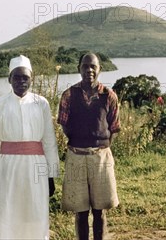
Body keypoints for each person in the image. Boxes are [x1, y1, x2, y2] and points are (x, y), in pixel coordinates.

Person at [0, 55, 60, 239]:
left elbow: (49, 141)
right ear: (9, 79)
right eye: (17, 77)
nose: (21, 81)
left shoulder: (41, 103)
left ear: (31, 78)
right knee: (6, 212)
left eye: (25, 77)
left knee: (34, 212)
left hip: (36, 168)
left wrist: (51, 175)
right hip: (6, 168)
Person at [58, 53, 120, 240]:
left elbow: (114, 128)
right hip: (76, 156)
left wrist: (101, 147)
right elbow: (64, 125)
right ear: (79, 68)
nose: (89, 70)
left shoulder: (109, 95)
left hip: (101, 157)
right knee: (81, 210)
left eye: (93, 66)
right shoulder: (68, 95)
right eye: (85, 66)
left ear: (100, 69)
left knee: (100, 210)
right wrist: (81, 142)